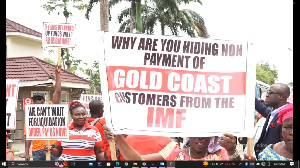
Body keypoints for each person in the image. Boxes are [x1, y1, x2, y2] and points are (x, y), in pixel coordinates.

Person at [103, 125, 235, 161]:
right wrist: (119, 139)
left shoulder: (219, 155)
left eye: (206, 134)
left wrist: (232, 151)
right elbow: (137, 160)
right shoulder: (174, 151)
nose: (201, 137)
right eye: (196, 132)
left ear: (212, 137)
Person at [25, 64, 61, 161]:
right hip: (37, 151)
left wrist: (57, 74)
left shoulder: (50, 108)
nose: (36, 101)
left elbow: (57, 91)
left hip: (51, 147)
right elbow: (28, 136)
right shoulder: (30, 115)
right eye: (35, 100)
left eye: (39, 99)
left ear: (43, 101)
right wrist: (26, 153)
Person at [254, 83, 290, 158]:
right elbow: (262, 108)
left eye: (270, 92)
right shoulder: (272, 112)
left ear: (280, 96)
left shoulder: (288, 117)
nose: (266, 95)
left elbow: (286, 146)